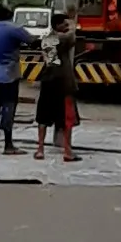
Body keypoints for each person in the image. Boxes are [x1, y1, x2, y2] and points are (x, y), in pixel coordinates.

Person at [0, 2, 37, 153]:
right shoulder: (14, 28)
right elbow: (32, 41)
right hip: (10, 73)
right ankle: (8, 145)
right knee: (8, 107)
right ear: (7, 14)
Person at [34, 15, 80, 164]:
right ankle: (67, 151)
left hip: (48, 81)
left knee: (43, 116)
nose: (66, 27)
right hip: (62, 83)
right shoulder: (61, 39)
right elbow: (72, 37)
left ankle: (40, 149)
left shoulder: (46, 39)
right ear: (57, 25)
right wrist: (73, 24)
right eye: (64, 24)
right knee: (67, 118)